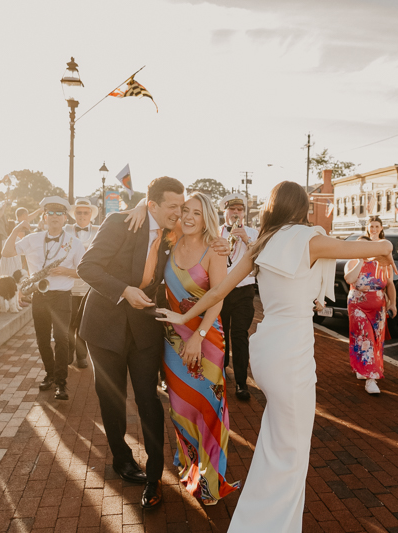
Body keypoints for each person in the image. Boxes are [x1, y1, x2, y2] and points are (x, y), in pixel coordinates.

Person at [156, 181, 393, 533]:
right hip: (292, 352)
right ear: (301, 207)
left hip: (264, 349)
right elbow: (371, 245)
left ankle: (265, 521)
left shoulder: (263, 243)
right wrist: (385, 248)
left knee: (274, 442)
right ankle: (270, 525)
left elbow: (220, 289)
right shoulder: (309, 240)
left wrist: (181, 316)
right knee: (292, 452)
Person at [77, 177, 186, 510]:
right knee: (111, 397)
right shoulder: (120, 223)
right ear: (152, 205)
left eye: (181, 207)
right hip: (104, 325)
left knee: (148, 399)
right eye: (173, 207)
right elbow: (87, 267)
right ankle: (122, 461)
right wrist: (124, 291)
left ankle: (154, 475)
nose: (179, 213)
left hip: (145, 327)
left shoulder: (173, 231)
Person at [162, 191, 239, 506]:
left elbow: (218, 297)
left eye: (196, 212)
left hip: (206, 338)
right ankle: (190, 465)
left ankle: (209, 481)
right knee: (181, 408)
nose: (189, 217)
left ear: (206, 216)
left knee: (207, 409)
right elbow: (153, 208)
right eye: (185, 211)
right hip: (172, 339)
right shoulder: (172, 239)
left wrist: (199, 336)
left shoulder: (215, 249)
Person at [2, 196, 85, 400]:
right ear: (45, 217)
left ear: (65, 218)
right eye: (51, 213)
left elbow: (84, 272)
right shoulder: (32, 239)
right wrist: (16, 229)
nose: (55, 217)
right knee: (42, 339)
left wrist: (66, 271)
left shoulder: (74, 243)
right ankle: (50, 374)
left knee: (62, 338)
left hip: (62, 296)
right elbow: (6, 252)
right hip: (39, 295)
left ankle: (61, 383)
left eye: (60, 213)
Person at [218, 193, 259, 401]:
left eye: (239, 210)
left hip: (244, 290)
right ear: (225, 211)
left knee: (240, 335)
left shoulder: (253, 233)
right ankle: (223, 370)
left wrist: (247, 239)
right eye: (232, 209)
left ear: (244, 213)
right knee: (221, 334)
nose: (236, 213)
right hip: (222, 290)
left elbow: (260, 258)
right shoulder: (216, 233)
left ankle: (242, 382)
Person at [344, 235, 396, 395]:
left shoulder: (380, 263)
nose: (363, 249)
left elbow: (389, 284)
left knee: (376, 340)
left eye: (366, 246)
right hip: (357, 306)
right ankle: (371, 379)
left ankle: (363, 368)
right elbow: (349, 279)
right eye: (359, 246)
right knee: (365, 338)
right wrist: (360, 260)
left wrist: (392, 303)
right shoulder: (352, 262)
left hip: (378, 308)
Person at [64, 198, 101, 368]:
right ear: (74, 215)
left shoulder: (99, 231)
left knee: (85, 321)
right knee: (69, 321)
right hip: (69, 283)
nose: (82, 215)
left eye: (86, 212)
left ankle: (81, 355)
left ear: (91, 215)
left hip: (90, 285)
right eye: (79, 212)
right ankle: (69, 353)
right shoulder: (66, 230)